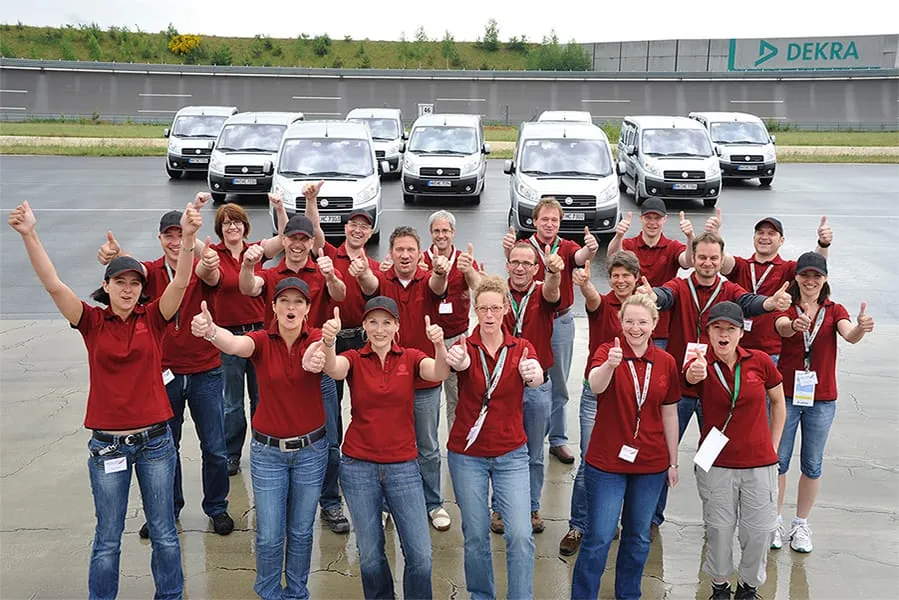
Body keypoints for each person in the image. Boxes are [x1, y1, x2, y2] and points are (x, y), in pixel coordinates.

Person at [9, 200, 200, 599]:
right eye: (120, 283)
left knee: (164, 533)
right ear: (107, 287)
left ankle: (170, 595)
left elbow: (181, 283)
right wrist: (30, 234)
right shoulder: (92, 322)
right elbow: (53, 284)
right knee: (108, 538)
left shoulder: (154, 319)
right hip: (107, 446)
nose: (128, 289)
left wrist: (190, 237)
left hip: (156, 445)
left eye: (134, 284)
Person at [640, 231, 792, 536]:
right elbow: (663, 296)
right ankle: (650, 518)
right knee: (661, 453)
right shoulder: (681, 286)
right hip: (681, 391)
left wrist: (770, 303)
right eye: (702, 257)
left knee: (713, 455)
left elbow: (749, 303)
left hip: (717, 392)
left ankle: (717, 520)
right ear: (693, 259)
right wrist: (652, 296)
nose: (708, 263)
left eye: (713, 258)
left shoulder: (729, 289)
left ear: (721, 260)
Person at [98, 196, 234, 539]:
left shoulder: (201, 265)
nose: (175, 242)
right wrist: (116, 254)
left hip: (206, 370)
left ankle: (216, 507)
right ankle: (167, 510)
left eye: (179, 235)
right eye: (168, 236)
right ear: (160, 239)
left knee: (215, 448)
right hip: (165, 374)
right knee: (164, 448)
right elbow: (128, 273)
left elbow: (210, 271)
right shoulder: (150, 271)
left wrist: (195, 238)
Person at [190, 277, 330, 599]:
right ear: (274, 307)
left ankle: (296, 593)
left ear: (308, 309)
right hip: (269, 454)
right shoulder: (262, 341)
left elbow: (330, 359)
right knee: (269, 535)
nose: (291, 307)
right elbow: (235, 345)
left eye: (298, 302)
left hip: (312, 451)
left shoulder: (319, 339)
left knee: (301, 531)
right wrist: (212, 331)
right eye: (284, 301)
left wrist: (324, 352)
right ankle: (269, 592)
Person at [319, 297, 449, 599]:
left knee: (420, 554)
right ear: (364, 325)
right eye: (374, 322)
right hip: (358, 467)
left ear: (397, 326)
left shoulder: (412, 357)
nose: (380, 329)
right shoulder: (353, 357)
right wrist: (328, 342)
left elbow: (439, 372)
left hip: (403, 467)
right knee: (370, 554)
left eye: (387, 322)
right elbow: (334, 369)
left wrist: (440, 346)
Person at [239, 211, 350, 534]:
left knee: (328, 438)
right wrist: (247, 264)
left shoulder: (322, 269)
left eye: (305, 239)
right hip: (276, 365)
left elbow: (341, 294)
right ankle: (276, 498)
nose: (299, 245)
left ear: (312, 242)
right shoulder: (272, 275)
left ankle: (329, 501)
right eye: (293, 238)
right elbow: (248, 287)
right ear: (284, 240)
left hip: (319, 368)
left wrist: (331, 277)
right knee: (273, 430)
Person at [571, 294, 680, 600]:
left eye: (643, 322)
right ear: (620, 323)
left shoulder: (666, 362)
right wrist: (609, 365)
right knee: (600, 536)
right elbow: (594, 385)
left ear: (654, 324)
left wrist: (673, 462)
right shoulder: (609, 351)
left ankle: (628, 594)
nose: (636, 328)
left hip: (650, 463)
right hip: (607, 463)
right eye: (629, 321)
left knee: (638, 538)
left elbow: (669, 411)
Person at [445, 275, 544, 600]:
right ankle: (480, 595)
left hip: (511, 454)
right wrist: (451, 363)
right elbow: (445, 369)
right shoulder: (463, 348)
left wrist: (536, 375)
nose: (489, 315)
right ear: (475, 310)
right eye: (482, 308)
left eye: (495, 308)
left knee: (520, 534)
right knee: (475, 535)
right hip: (467, 455)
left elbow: (535, 374)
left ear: (504, 310)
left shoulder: (521, 348)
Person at [351, 225, 453, 531]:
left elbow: (439, 284)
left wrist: (441, 270)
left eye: (411, 249)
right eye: (399, 249)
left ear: (420, 252)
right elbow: (369, 283)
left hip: (424, 380)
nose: (405, 255)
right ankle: (385, 506)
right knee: (386, 445)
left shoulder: (429, 278)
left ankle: (432, 503)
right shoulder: (382, 279)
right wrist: (360, 272)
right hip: (388, 381)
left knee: (427, 446)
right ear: (391, 253)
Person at [772, 252, 874, 554]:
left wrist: (860, 327)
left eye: (817, 276)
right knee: (778, 462)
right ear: (797, 278)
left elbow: (849, 335)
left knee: (812, 465)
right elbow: (781, 327)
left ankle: (801, 524)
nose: (810, 281)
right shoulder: (787, 306)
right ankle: (774, 521)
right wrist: (796, 326)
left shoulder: (834, 309)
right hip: (786, 397)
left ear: (825, 279)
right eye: (805, 275)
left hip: (822, 399)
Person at [684, 301, 786, 600]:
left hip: (759, 462)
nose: (723, 334)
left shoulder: (760, 361)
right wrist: (694, 373)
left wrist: (774, 445)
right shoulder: (699, 361)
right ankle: (719, 586)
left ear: (741, 333)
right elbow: (687, 381)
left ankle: (748, 587)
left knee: (759, 532)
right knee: (718, 530)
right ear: (709, 332)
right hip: (717, 462)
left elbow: (778, 403)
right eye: (717, 328)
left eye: (730, 329)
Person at [194, 197, 288, 476]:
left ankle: (263, 448)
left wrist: (280, 208)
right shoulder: (214, 253)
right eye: (225, 223)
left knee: (261, 398)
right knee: (231, 403)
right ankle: (232, 454)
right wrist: (196, 210)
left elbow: (283, 239)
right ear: (220, 229)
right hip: (228, 337)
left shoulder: (256, 251)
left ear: (245, 227)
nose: (231, 227)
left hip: (260, 334)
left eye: (236, 222)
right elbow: (189, 241)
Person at [503, 197, 599, 464]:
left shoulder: (566, 247)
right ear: (534, 222)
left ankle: (557, 439)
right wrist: (506, 250)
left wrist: (591, 249)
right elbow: (514, 265)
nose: (549, 224)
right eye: (544, 219)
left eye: (554, 220)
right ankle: (524, 434)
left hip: (560, 320)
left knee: (556, 381)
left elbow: (580, 258)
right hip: (528, 318)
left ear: (560, 223)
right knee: (520, 379)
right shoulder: (525, 247)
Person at [560, 250, 641, 556]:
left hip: (632, 395)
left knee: (625, 459)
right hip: (597, 393)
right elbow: (592, 298)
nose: (620, 281)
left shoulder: (643, 306)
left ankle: (610, 519)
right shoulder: (603, 303)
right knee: (590, 459)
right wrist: (584, 284)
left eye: (626, 276)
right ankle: (578, 525)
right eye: (615, 275)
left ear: (636, 279)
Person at [491, 241, 560, 535]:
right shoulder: (498, 295)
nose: (520, 268)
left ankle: (531, 507)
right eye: (515, 262)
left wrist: (555, 273)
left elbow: (553, 291)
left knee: (533, 451)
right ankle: (500, 507)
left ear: (536, 268)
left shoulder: (543, 292)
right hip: (502, 384)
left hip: (537, 385)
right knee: (501, 449)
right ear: (507, 265)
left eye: (527, 264)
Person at [709, 211, 833, 364]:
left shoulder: (787, 268)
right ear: (754, 237)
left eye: (771, 233)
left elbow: (814, 268)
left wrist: (823, 244)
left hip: (772, 351)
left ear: (781, 240)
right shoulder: (742, 265)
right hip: (737, 348)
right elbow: (722, 260)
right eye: (760, 233)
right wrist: (715, 235)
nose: (764, 237)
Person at [606, 198, 695, 350]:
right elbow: (612, 257)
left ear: (665, 219)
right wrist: (619, 235)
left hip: (661, 327)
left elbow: (688, 261)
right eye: (648, 218)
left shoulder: (672, 246)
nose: (652, 223)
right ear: (641, 218)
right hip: (631, 325)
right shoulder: (629, 244)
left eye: (657, 218)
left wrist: (690, 237)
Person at [423, 210, 480, 432]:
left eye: (445, 230)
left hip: (458, 337)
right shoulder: (421, 258)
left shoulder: (464, 258)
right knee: (427, 398)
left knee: (457, 396)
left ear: (453, 232)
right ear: (430, 233)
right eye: (436, 231)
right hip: (428, 340)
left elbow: (479, 288)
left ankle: (457, 445)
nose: (441, 235)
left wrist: (469, 271)